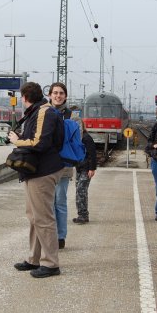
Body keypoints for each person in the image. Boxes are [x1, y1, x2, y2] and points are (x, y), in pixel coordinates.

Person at [8, 81, 65, 278]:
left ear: (24, 97)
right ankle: (34, 259)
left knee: (43, 218)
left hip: (44, 171)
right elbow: (35, 136)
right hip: (35, 171)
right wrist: (20, 136)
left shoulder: (44, 112)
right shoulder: (36, 111)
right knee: (34, 217)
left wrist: (17, 141)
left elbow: (40, 143)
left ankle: (51, 264)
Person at [48, 82, 72, 249]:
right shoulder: (43, 112)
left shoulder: (72, 115)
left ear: (65, 96)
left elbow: (76, 137)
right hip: (45, 167)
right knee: (47, 204)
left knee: (60, 202)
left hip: (63, 166)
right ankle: (49, 235)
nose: (58, 96)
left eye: (61, 93)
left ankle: (60, 236)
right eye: (55, 93)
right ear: (50, 95)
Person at [72, 117, 97, 224]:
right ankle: (82, 215)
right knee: (80, 191)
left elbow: (92, 154)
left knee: (80, 190)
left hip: (86, 169)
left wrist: (92, 168)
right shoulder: (76, 138)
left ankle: (83, 215)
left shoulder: (86, 138)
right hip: (79, 168)